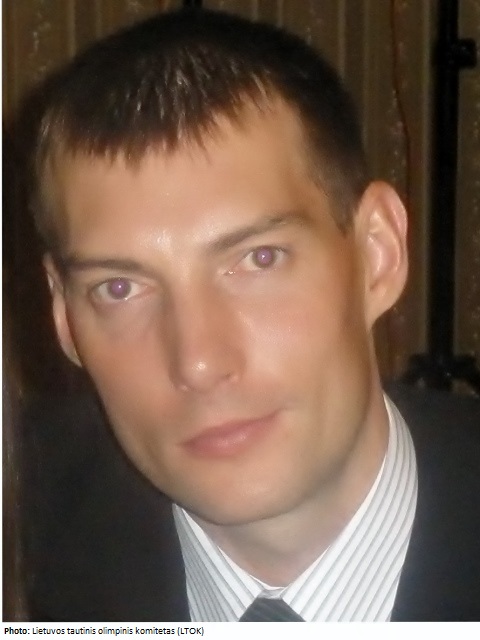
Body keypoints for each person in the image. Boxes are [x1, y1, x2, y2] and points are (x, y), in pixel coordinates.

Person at [24, 7, 480, 622]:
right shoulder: (20, 539)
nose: (199, 361)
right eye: (120, 288)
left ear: (377, 254)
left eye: (259, 259)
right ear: (64, 318)